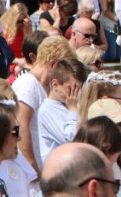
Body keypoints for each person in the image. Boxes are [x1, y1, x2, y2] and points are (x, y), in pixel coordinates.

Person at [13, 36, 76, 172]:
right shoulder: (28, 84)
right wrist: (32, 166)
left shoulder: (46, 87)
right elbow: (20, 125)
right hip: (31, 170)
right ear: (53, 65)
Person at [36, 58, 86, 164]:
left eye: (79, 88)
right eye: (71, 89)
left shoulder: (73, 104)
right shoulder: (47, 110)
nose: (76, 93)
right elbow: (73, 141)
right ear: (55, 85)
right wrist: (73, 111)